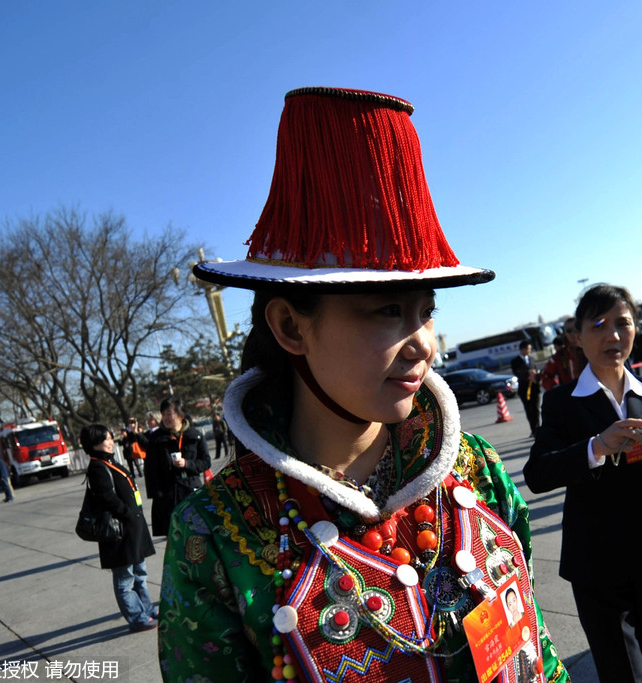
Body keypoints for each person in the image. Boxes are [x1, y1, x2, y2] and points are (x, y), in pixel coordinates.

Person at [157, 87, 568, 683]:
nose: (424, 342)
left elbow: (539, 653)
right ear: (291, 326)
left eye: (425, 310)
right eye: (385, 312)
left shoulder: (475, 473)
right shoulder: (215, 535)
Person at [524, 284, 642, 683]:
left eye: (623, 323)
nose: (613, 336)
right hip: (595, 564)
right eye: (599, 325)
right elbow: (537, 474)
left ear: (637, 328)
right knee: (622, 674)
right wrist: (595, 446)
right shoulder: (561, 402)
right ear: (577, 335)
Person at [79, 423, 157, 633]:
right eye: (107, 438)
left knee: (140, 573)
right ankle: (137, 617)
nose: (111, 441)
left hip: (132, 529)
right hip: (119, 533)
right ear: (95, 443)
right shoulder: (97, 467)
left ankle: (147, 609)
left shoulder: (109, 461)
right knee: (125, 579)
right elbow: (106, 497)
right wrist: (127, 512)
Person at [142, 395, 211, 536]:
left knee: (197, 536)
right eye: (163, 415)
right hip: (168, 496)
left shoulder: (195, 435)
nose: (165, 418)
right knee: (175, 538)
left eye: (169, 414)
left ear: (180, 415)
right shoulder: (156, 439)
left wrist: (187, 463)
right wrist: (157, 495)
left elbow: (205, 462)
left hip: (191, 491)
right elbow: (150, 469)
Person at [511, 339, 541, 436]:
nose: (529, 351)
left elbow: (536, 370)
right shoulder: (515, 361)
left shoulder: (532, 359)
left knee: (536, 409)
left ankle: (538, 428)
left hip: (535, 387)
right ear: (522, 349)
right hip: (524, 389)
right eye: (528, 349)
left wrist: (536, 375)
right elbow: (517, 373)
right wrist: (528, 373)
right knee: (529, 410)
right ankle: (533, 430)